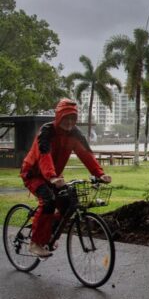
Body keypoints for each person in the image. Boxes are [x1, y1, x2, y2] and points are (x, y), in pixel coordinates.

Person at [20, 99, 112, 258]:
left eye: (73, 119)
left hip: (54, 176)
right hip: (33, 174)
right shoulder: (47, 132)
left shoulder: (75, 134)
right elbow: (44, 155)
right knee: (48, 201)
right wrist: (52, 177)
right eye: (66, 118)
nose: (69, 122)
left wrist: (99, 174)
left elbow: (86, 154)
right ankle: (35, 243)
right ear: (58, 117)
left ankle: (48, 234)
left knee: (68, 202)